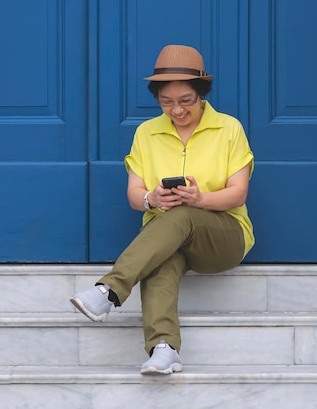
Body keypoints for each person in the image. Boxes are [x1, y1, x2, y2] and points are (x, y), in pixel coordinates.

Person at [70, 44, 254, 374]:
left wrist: (199, 200)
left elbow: (238, 194)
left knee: (181, 213)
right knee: (162, 258)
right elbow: (134, 194)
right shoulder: (146, 133)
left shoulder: (229, 128)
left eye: (186, 101)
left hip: (224, 238)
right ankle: (164, 349)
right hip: (166, 234)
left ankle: (109, 290)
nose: (177, 110)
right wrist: (151, 199)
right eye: (167, 102)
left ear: (202, 94)